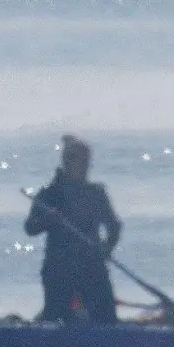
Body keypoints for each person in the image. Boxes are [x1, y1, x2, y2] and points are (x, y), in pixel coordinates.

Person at [24, 135, 121, 324]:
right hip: (59, 268)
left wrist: (107, 248)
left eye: (87, 162)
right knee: (56, 317)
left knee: (107, 320)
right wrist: (47, 220)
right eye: (81, 161)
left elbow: (114, 227)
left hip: (92, 267)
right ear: (67, 162)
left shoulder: (96, 193)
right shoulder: (51, 193)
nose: (85, 167)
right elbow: (30, 227)